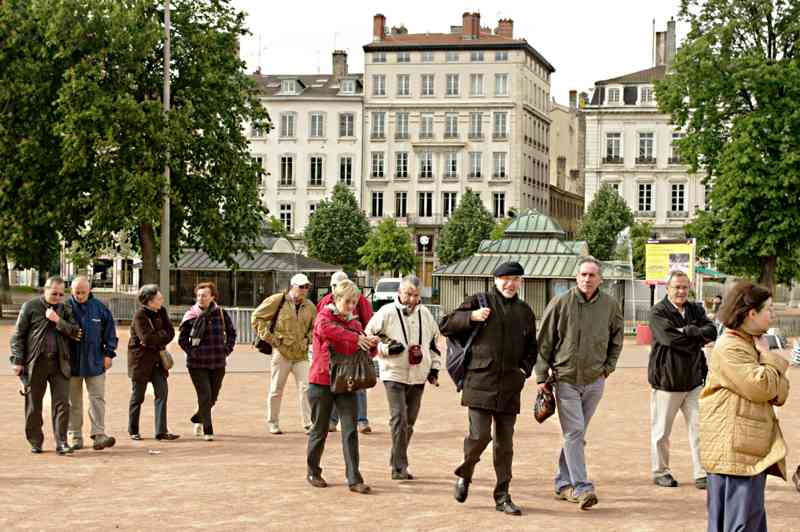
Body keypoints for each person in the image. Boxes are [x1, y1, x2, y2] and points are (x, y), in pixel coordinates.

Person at [439, 261, 538, 516]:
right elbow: (445, 324)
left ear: (521, 282)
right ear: (495, 280)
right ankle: (466, 472)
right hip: (479, 382)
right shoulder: (479, 301)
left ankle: (503, 496)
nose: (510, 283)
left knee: (505, 446)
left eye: (515, 279)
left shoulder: (525, 311)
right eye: (505, 278)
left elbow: (531, 348)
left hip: (509, 386)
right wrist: (471, 317)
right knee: (479, 436)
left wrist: (523, 371)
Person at [535, 256, 623, 510]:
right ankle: (582, 487)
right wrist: (542, 377)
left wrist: (608, 368)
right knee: (574, 432)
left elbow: (616, 338)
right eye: (583, 274)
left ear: (600, 279)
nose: (587, 279)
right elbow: (544, 343)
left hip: (595, 380)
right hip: (566, 380)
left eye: (592, 275)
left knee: (577, 434)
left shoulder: (609, 304)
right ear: (576, 277)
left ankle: (562, 483)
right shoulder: (561, 303)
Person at [701, 281, 790, 532]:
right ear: (752, 313)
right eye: (769, 309)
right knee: (738, 524)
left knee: (747, 521)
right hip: (734, 452)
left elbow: (781, 393)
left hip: (746, 447)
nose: (772, 314)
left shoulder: (750, 344)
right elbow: (762, 388)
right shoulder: (730, 346)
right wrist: (769, 359)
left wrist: (766, 362)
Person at [364, 275, 441, 480]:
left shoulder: (426, 314)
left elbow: (433, 344)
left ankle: (396, 460)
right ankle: (399, 467)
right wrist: (386, 348)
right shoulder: (386, 312)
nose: (412, 299)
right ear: (399, 292)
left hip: (418, 375)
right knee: (399, 418)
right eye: (408, 294)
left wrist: (434, 369)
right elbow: (368, 337)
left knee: (409, 423)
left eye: (415, 295)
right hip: (394, 373)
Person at [306, 279, 379, 494]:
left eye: (354, 302)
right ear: (336, 299)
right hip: (321, 382)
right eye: (347, 301)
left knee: (350, 431)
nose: (350, 307)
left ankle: (354, 478)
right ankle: (313, 471)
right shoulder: (323, 317)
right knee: (319, 429)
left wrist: (370, 343)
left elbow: (364, 350)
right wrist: (356, 338)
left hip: (346, 383)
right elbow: (329, 331)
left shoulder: (356, 325)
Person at [648, 271, 717, 489]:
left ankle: (701, 472)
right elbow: (668, 339)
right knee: (661, 432)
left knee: (700, 429)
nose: (681, 291)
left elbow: (712, 331)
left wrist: (689, 330)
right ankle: (661, 471)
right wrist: (697, 340)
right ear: (667, 288)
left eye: (685, 287)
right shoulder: (659, 311)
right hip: (667, 381)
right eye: (677, 287)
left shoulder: (695, 309)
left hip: (694, 380)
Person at [10, 276, 81, 455]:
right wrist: (18, 361)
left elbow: (76, 332)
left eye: (61, 293)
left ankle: (62, 442)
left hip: (60, 363)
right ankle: (35, 441)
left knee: (62, 404)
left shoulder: (65, 309)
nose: (58, 296)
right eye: (54, 293)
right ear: (45, 290)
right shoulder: (31, 307)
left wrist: (58, 320)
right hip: (36, 363)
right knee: (34, 405)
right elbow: (17, 336)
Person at [252, 273, 317, 434]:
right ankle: (273, 422)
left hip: (300, 354)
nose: (304, 290)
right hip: (281, 352)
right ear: (292, 286)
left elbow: (314, 328)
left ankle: (308, 422)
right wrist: (269, 338)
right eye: (301, 286)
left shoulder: (310, 307)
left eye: (307, 287)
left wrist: (307, 339)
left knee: (306, 388)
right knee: (276, 389)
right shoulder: (278, 300)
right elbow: (257, 317)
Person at [317, 271, 374, 434]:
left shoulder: (359, 300)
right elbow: (322, 327)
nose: (337, 288)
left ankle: (362, 420)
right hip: (333, 358)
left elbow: (367, 321)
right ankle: (332, 420)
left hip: (353, 353)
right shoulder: (325, 304)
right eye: (334, 285)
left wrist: (366, 340)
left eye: (340, 284)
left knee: (359, 384)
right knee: (337, 384)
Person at [178, 281, 236, 441]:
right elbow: (182, 339)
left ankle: (199, 417)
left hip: (218, 361)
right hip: (197, 364)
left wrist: (227, 350)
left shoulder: (221, 313)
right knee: (205, 395)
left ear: (212, 297)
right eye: (198, 295)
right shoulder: (191, 315)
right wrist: (192, 352)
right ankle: (208, 430)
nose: (200, 298)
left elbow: (231, 333)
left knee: (213, 397)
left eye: (204, 295)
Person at [66, 276, 118, 451]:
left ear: (89, 291)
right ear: (71, 291)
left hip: (95, 362)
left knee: (97, 399)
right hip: (71, 364)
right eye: (76, 292)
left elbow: (110, 333)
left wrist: (109, 354)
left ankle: (99, 435)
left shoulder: (100, 308)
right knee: (74, 402)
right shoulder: (65, 308)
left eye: (83, 292)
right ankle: (75, 436)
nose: (80, 295)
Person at [127, 284, 179, 441]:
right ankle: (133, 430)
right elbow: (146, 338)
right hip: (140, 362)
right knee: (138, 397)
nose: (161, 299)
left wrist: (157, 336)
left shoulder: (161, 312)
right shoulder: (140, 316)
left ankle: (161, 431)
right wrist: (156, 337)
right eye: (158, 297)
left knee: (162, 393)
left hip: (158, 361)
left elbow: (170, 333)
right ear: (149, 301)